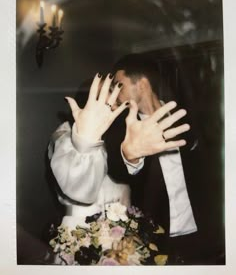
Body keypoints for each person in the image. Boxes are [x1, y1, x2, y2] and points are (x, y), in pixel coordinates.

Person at [48, 68, 190, 239]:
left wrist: (132, 155)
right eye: (109, 89)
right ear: (90, 99)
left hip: (124, 232)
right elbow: (81, 191)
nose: (117, 93)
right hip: (86, 235)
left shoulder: (122, 129)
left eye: (116, 87)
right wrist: (86, 141)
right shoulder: (67, 133)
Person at [104, 53, 205, 264]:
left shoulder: (187, 116)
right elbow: (116, 169)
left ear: (141, 84)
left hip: (202, 231)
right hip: (156, 238)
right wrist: (130, 155)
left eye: (119, 85)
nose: (115, 93)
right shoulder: (120, 131)